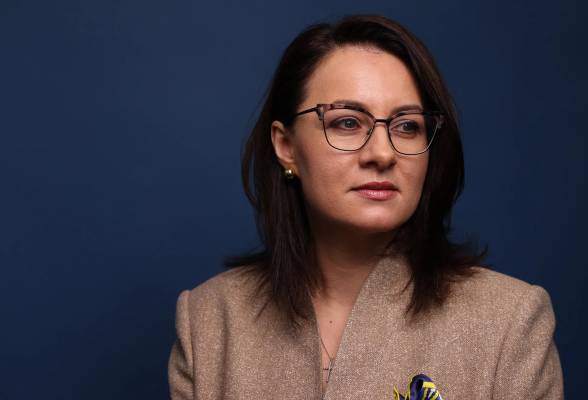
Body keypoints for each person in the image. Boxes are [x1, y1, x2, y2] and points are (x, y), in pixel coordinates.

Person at [168, 14, 563, 399]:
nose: (382, 153)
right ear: (286, 146)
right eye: (347, 122)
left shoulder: (508, 322)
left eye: (407, 126)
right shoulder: (209, 320)